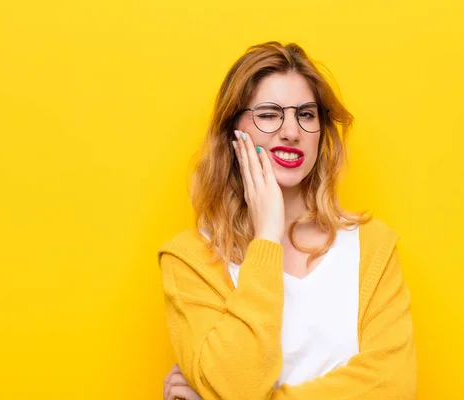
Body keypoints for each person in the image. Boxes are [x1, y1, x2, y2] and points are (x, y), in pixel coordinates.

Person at [158, 41, 417, 400]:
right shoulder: (189, 259)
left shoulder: (372, 246)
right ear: (233, 131)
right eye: (268, 114)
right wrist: (266, 237)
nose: (291, 131)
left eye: (306, 115)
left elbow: (392, 387)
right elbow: (235, 385)